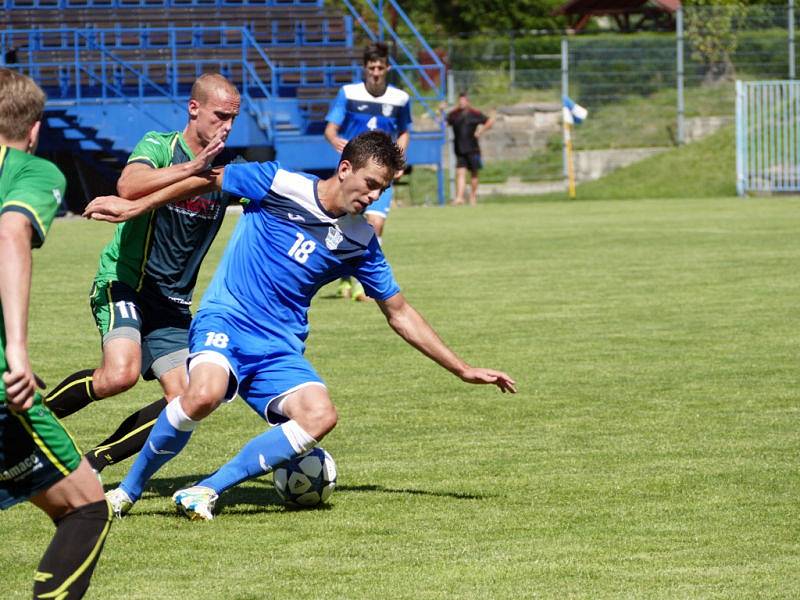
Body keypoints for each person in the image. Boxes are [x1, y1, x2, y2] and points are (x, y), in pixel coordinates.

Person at [82, 130, 517, 520]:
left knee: (320, 415)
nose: (372, 197)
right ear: (345, 168)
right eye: (369, 184)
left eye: (382, 190)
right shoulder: (278, 183)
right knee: (204, 394)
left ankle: (204, 490)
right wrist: (135, 205)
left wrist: (461, 369)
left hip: (279, 347)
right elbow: (207, 179)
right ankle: (126, 493)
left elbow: (398, 312)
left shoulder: (361, 240)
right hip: (227, 320)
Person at [44, 73, 240, 473]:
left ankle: (90, 465)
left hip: (172, 303)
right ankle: (21, 427)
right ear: (194, 108)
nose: (228, 127)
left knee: (187, 399)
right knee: (120, 375)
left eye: (234, 118)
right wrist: (192, 169)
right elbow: (129, 184)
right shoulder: (159, 145)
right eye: (220, 116)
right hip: (125, 282)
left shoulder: (229, 170)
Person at [0, 67, 111, 598]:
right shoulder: (32, 172)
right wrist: (15, 352)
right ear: (35, 129)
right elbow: (11, 231)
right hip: (3, 386)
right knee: (87, 505)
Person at [324, 41, 411, 301]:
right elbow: (330, 129)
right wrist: (334, 140)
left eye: (380, 68)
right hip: (354, 175)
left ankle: (364, 285)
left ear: (387, 68)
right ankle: (344, 278)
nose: (375, 72)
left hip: (381, 173)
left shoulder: (400, 98)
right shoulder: (349, 94)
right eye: (371, 67)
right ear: (364, 68)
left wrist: (399, 160)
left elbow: (405, 131)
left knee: (375, 224)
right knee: (345, 225)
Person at [442, 92, 494, 206]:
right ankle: (459, 198)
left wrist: (481, 130)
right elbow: (444, 122)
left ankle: (473, 197)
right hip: (459, 149)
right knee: (460, 173)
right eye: (460, 100)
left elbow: (490, 121)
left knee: (474, 173)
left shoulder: (474, 113)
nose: (462, 102)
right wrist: (441, 111)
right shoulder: (454, 114)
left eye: (464, 100)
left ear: (468, 101)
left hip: (473, 149)